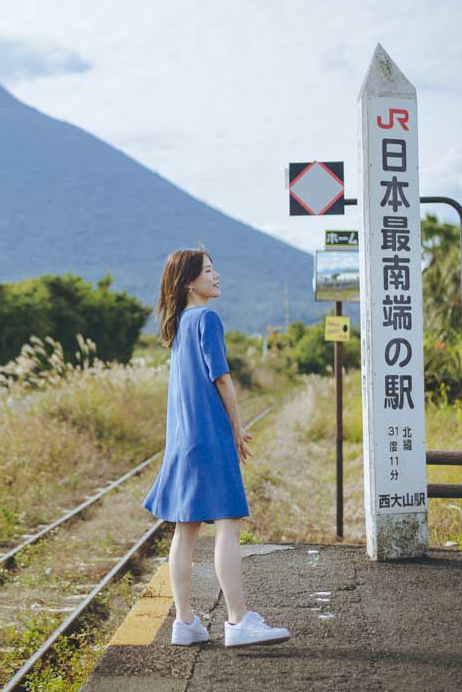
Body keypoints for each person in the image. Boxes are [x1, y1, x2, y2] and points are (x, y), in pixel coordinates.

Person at [142, 248, 290, 648]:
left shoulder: (179, 325)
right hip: (209, 435)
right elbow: (221, 380)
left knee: (185, 529)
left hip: (183, 439)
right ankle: (239, 620)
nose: (217, 275)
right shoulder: (206, 318)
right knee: (228, 523)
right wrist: (237, 430)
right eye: (209, 271)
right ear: (191, 282)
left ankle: (185, 622)